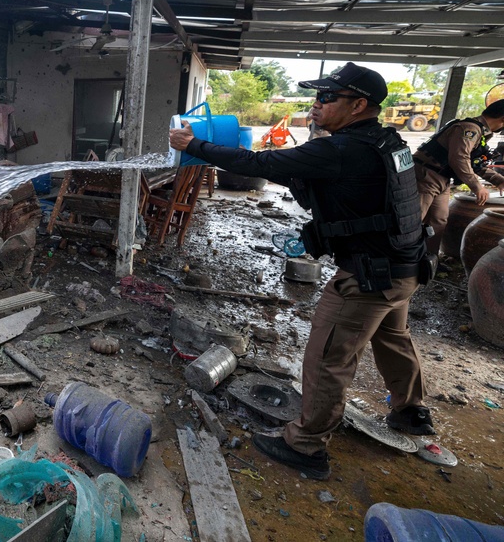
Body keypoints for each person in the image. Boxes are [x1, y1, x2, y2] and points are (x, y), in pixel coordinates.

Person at [169, 62, 433, 480]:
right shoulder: (388, 142)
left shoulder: (341, 150)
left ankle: (306, 446)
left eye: (327, 98)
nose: (316, 105)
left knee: (328, 359)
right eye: (317, 96)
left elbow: (259, 162)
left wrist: (195, 144)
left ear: (359, 105)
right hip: (405, 269)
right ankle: (411, 412)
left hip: (367, 278)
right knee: (394, 339)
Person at [413, 100, 504, 257]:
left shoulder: (481, 132)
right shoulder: (469, 129)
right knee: (414, 220)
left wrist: (498, 180)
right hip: (427, 175)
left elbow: (474, 163)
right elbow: (459, 159)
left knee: (438, 220)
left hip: (442, 178)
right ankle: (401, 263)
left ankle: (429, 261)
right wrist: (477, 186)